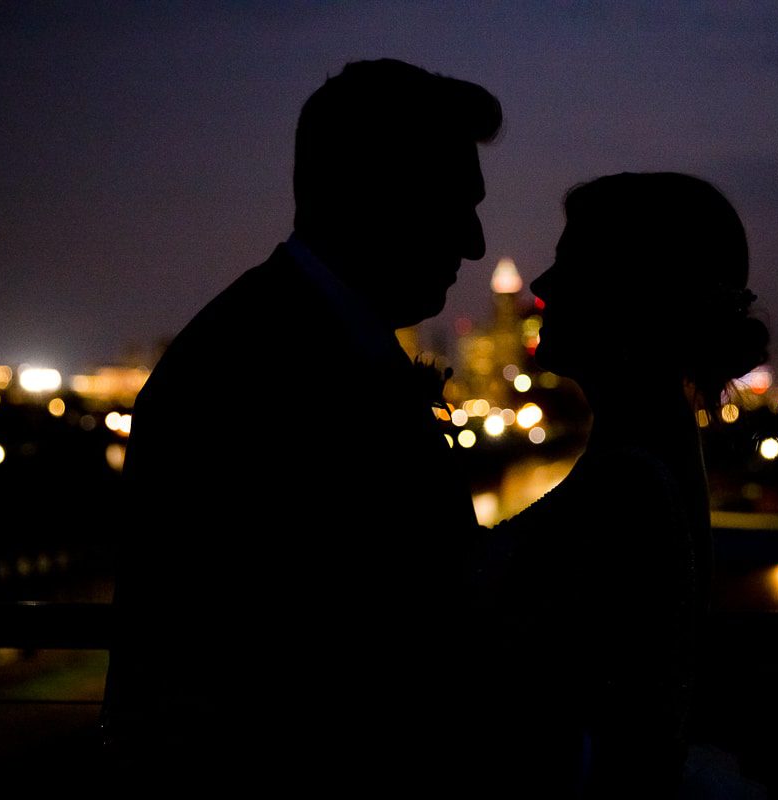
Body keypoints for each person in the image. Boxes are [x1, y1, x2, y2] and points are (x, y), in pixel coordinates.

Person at [101, 59, 503, 794]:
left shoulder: (289, 339)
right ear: (377, 195)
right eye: (455, 203)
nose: (474, 243)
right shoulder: (256, 372)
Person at [507, 172, 770, 796]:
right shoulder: (650, 449)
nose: (542, 286)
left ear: (628, 297)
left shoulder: (630, 483)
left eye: (568, 264)